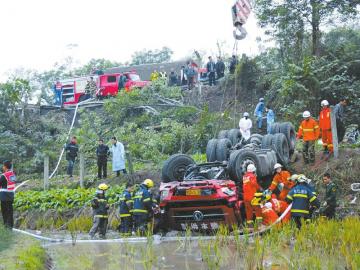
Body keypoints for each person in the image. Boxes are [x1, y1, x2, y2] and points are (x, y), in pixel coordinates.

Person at [0, 160, 16, 228]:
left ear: (5, 167)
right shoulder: (13, 174)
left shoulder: (3, 175)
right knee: (10, 211)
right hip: (11, 195)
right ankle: (10, 226)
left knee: (5, 212)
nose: (3, 167)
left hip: (4, 196)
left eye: (3, 166)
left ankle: (6, 226)